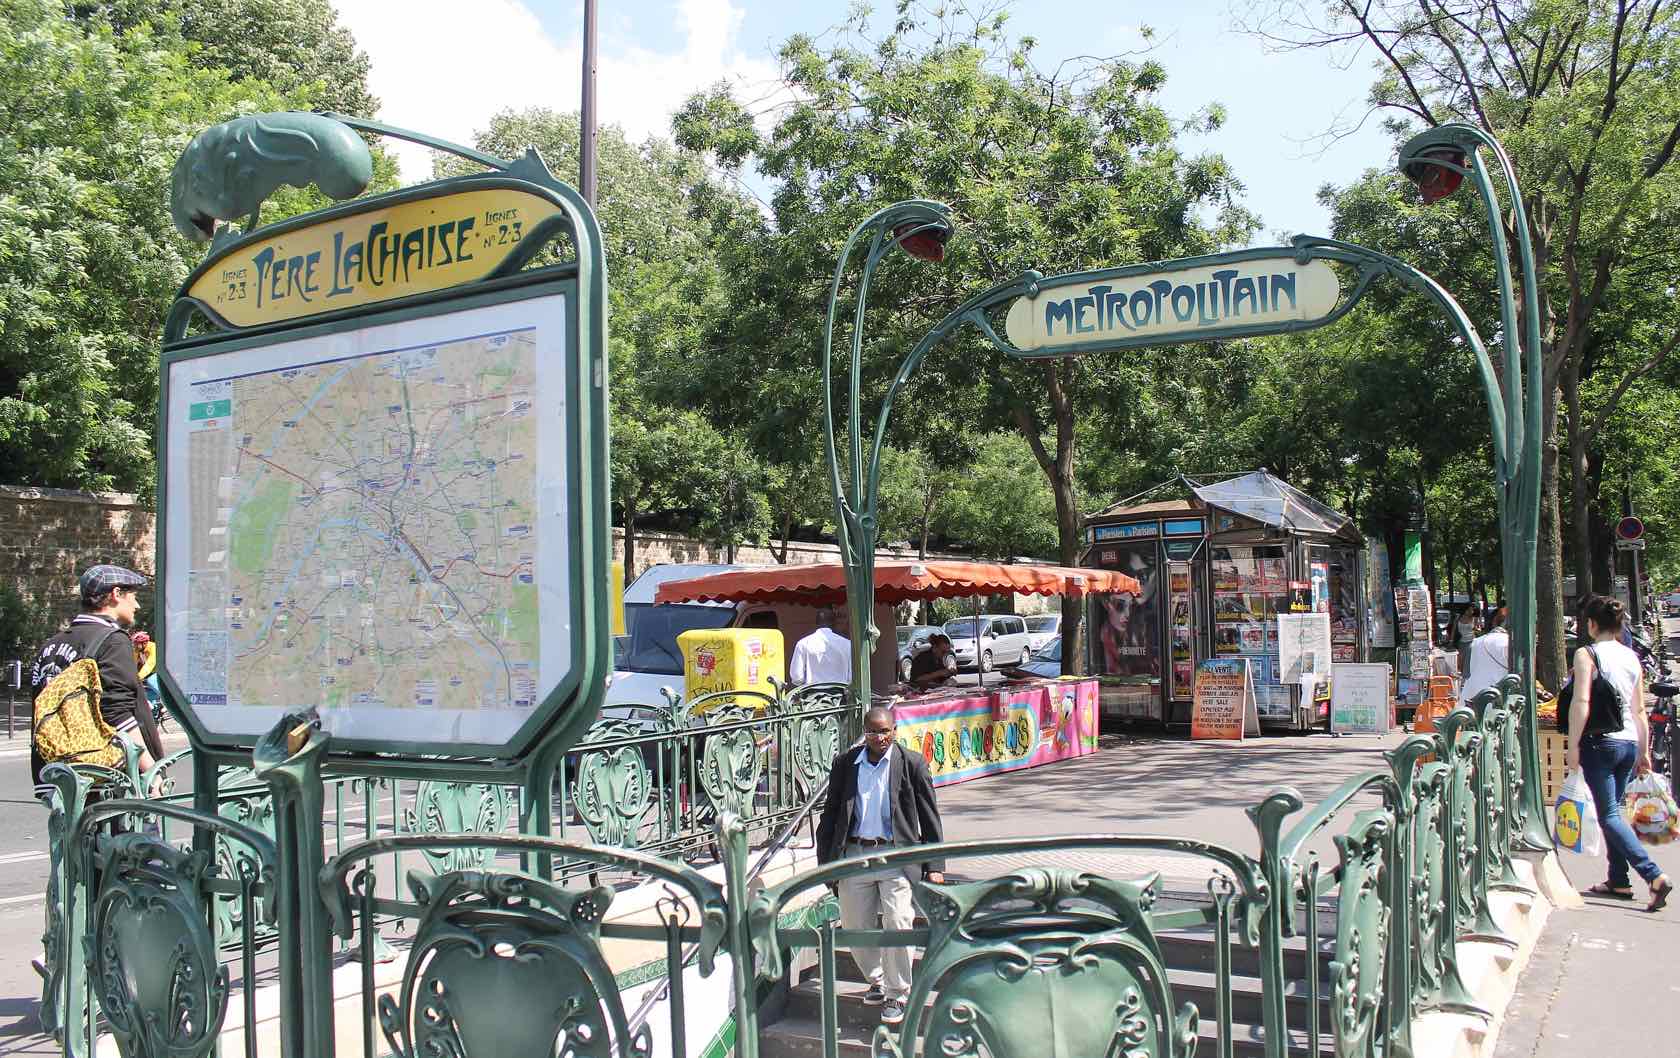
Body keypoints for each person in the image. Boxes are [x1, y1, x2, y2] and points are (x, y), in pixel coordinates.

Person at [815, 706, 945, 1025]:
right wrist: (826, 863)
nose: (879, 738)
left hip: (896, 857)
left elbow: (929, 817)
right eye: (872, 732)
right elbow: (831, 814)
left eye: (884, 731)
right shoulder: (846, 764)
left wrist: (935, 865)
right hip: (855, 854)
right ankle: (877, 978)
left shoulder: (912, 763)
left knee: (898, 921)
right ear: (864, 732)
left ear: (894, 730)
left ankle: (896, 994)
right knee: (855, 925)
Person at [1565, 594, 1672, 911]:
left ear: (1592, 624)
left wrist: (1573, 744)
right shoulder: (1631, 657)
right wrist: (1644, 749)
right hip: (1627, 743)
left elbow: (1581, 702)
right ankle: (1618, 879)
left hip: (1600, 743)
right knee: (1615, 811)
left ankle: (1654, 876)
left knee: (1608, 814)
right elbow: (1639, 709)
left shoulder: (1587, 654)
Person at [29, 565, 165, 784]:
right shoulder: (112, 640)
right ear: (116, 594)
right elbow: (117, 710)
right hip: (108, 774)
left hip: (57, 771)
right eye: (133, 596)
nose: (137, 605)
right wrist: (151, 770)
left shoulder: (50, 646)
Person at [1457, 606, 1509, 706]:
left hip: (1472, 697)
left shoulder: (1475, 642)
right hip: (1498, 698)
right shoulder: (1510, 643)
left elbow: (1465, 673)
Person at [788, 607, 851, 687]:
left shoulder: (803, 643)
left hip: (812, 697)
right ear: (833, 623)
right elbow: (851, 678)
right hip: (840, 696)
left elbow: (797, 677)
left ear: (816, 623)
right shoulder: (847, 644)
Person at [1454, 604, 1480, 678]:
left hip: (1471, 641)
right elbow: (1454, 629)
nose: (1471, 611)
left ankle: (1467, 675)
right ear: (1465, 610)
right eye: (1469, 610)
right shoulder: (1458, 617)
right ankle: (1462, 674)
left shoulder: (1474, 618)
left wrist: (1478, 630)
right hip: (1461, 641)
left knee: (1469, 658)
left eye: (1472, 610)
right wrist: (1451, 640)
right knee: (1461, 659)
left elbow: (1476, 629)